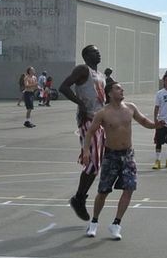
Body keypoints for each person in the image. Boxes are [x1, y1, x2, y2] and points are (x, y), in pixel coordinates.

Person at [80, 81, 164, 240]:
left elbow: (145, 122)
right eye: (118, 88)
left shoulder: (130, 108)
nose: (122, 90)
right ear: (110, 93)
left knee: (129, 187)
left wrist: (156, 125)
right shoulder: (103, 113)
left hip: (128, 155)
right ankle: (94, 222)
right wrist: (85, 151)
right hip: (111, 156)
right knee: (103, 191)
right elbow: (90, 132)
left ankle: (116, 224)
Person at [59, 45, 107, 222]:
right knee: (92, 162)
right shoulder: (82, 70)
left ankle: (81, 197)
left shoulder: (100, 75)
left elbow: (103, 95)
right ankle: (79, 198)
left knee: (98, 163)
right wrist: (81, 103)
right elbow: (63, 87)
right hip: (88, 119)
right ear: (86, 56)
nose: (99, 52)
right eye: (95, 51)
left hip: (100, 119)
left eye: (98, 50)